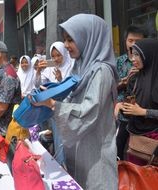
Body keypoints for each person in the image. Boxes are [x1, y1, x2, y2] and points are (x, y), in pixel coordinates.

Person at [34, 14, 118, 189]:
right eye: (65, 40)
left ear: (88, 37)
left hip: (95, 156)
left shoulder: (101, 71)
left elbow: (89, 111)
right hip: (79, 152)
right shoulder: (80, 66)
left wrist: (52, 104)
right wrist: (53, 93)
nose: (66, 45)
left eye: (70, 40)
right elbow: (72, 99)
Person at [115, 39, 158, 165]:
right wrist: (122, 106)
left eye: (137, 55)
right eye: (132, 54)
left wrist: (143, 112)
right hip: (136, 141)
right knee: (137, 178)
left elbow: (139, 110)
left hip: (154, 142)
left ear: (149, 55)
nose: (133, 59)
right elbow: (131, 109)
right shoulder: (134, 79)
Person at [115, 25, 147, 160]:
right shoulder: (119, 62)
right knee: (118, 148)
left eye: (138, 41)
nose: (134, 44)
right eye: (131, 41)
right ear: (125, 41)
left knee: (141, 151)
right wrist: (123, 83)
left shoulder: (148, 62)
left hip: (143, 115)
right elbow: (110, 88)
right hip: (124, 113)